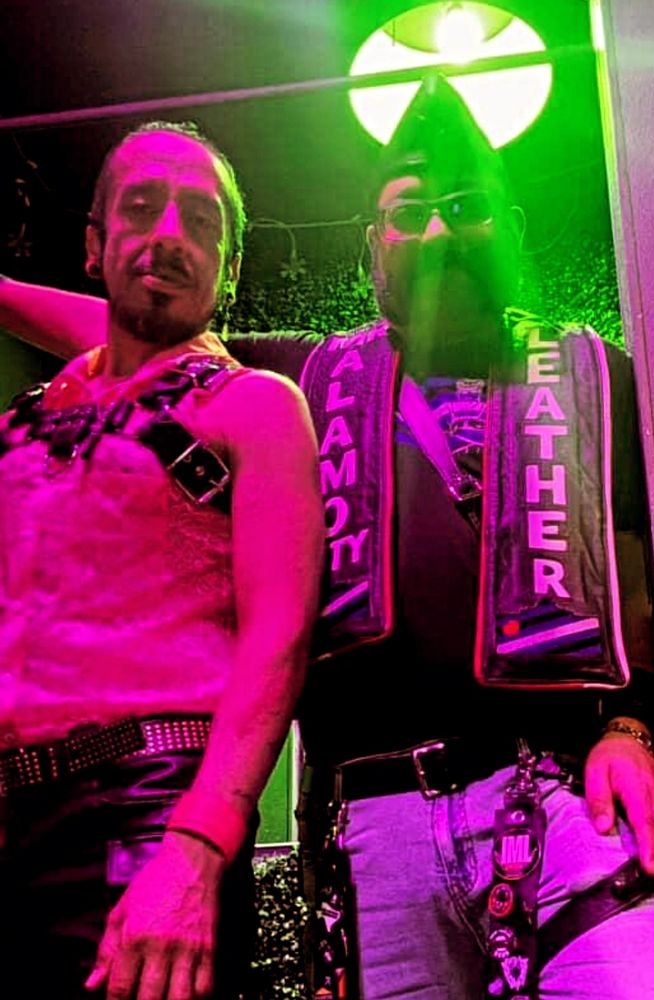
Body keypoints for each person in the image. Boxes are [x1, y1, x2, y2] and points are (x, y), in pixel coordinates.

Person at [0, 82, 654, 999]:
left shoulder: (599, 374)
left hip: (568, 793)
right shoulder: (303, 374)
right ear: (371, 246)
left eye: (464, 207)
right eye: (408, 213)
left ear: (509, 228)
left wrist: (630, 728)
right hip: (372, 817)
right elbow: (127, 326)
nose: (437, 231)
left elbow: (652, 578)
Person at [0, 121, 324, 1000]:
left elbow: (279, 637)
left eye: (201, 220)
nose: (171, 234)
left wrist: (198, 847)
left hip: (147, 807)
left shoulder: (253, 406)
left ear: (230, 266)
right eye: (141, 208)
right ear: (94, 244)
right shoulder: (26, 422)